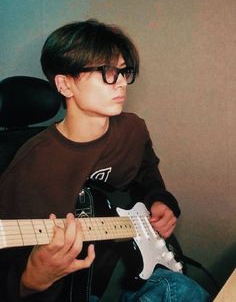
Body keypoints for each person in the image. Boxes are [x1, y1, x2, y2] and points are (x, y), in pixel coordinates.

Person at [0, 19, 211, 301]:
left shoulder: (133, 129)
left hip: (137, 268)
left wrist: (161, 200)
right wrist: (30, 281)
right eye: (108, 72)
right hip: (78, 288)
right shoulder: (31, 167)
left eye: (124, 71)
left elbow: (147, 176)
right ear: (65, 85)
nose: (122, 82)